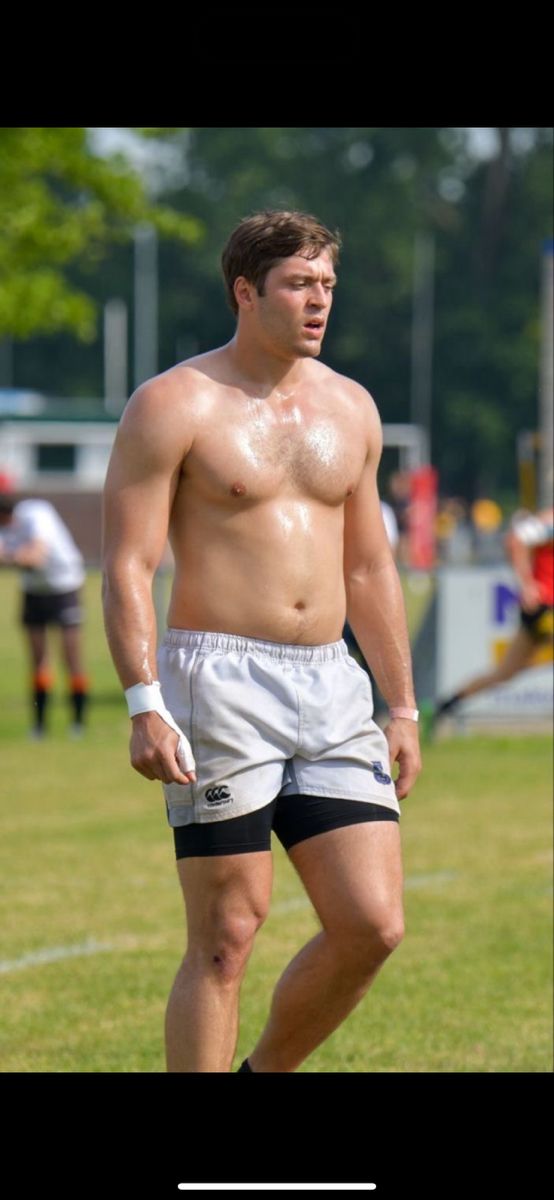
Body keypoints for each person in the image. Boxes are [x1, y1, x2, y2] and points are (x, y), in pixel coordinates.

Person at [102, 209, 421, 1073]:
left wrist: (401, 704)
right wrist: (144, 703)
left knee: (372, 924)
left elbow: (369, 570)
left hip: (330, 682)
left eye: (326, 286)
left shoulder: (352, 407)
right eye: (297, 285)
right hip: (218, 683)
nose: (318, 303)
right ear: (247, 292)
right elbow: (129, 564)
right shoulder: (174, 404)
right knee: (227, 935)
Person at [434, 505, 554, 721]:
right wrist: (526, 585)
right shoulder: (550, 522)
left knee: (504, 672)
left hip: (542, 610)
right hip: (544, 609)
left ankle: (447, 705)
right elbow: (516, 540)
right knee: (504, 672)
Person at [0, 493, 89, 736]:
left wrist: (11, 556)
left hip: (64, 588)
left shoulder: (36, 513)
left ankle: (78, 723)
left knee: (71, 658)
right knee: (38, 660)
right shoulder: (4, 528)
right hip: (33, 591)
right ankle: (39, 725)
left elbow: (36, 556)